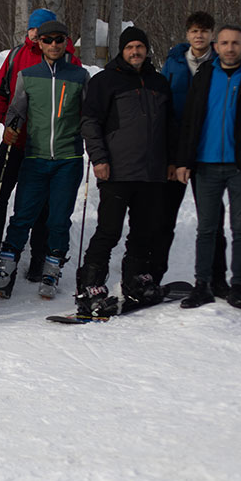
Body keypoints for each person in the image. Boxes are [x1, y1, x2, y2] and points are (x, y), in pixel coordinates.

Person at [0, 20, 90, 300]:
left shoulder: (79, 76)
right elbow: (17, 109)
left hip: (68, 157)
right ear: (39, 43)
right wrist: (11, 128)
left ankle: (51, 271)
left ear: (66, 42)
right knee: (22, 215)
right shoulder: (27, 75)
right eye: (48, 40)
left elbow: (90, 113)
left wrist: (92, 134)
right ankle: (4, 271)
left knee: (58, 218)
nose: (53, 44)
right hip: (35, 156)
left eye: (59, 39)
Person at [174, 25, 241, 308]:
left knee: (240, 228)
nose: (230, 48)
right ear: (216, 46)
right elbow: (190, 121)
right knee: (207, 229)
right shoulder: (204, 76)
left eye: (235, 43)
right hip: (205, 165)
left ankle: (237, 287)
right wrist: (184, 161)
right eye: (224, 43)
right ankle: (202, 285)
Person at [74, 27, 175, 316]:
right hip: (117, 171)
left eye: (139, 47)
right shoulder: (105, 81)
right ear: (122, 50)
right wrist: (99, 159)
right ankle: (90, 285)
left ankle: (134, 279)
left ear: (146, 49)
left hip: (152, 173)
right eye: (130, 47)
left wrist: (170, 160)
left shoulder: (159, 82)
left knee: (144, 231)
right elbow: (90, 122)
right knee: (109, 230)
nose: (135, 52)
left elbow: (170, 126)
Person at [155, 11, 226, 293]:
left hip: (208, 153)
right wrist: (170, 156)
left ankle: (217, 278)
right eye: (195, 31)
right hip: (176, 152)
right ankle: (152, 275)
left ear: (212, 34)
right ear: (187, 34)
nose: (199, 36)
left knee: (213, 219)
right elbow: (163, 109)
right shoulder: (173, 64)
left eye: (205, 31)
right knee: (164, 219)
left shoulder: (221, 64)